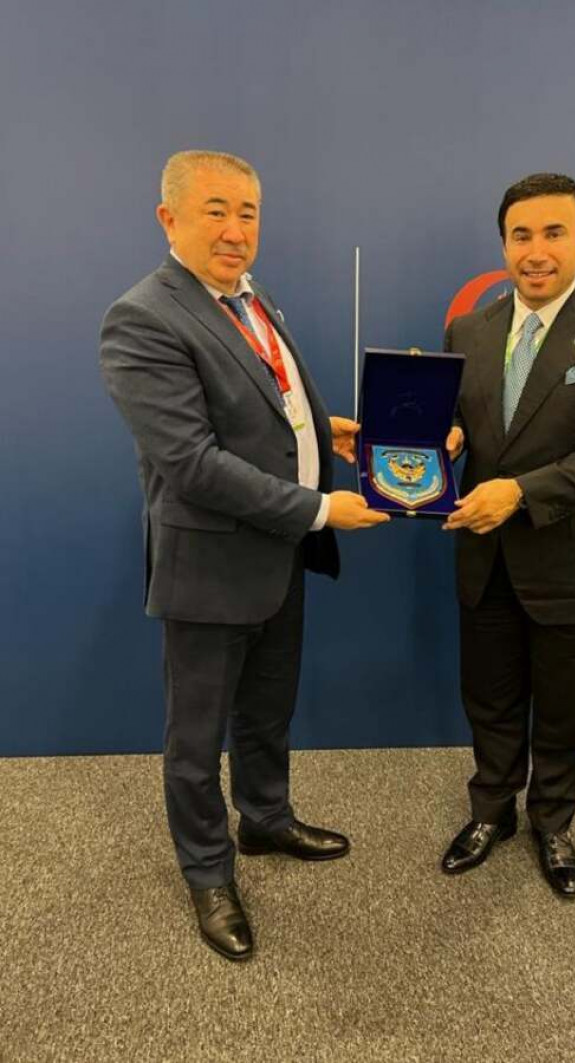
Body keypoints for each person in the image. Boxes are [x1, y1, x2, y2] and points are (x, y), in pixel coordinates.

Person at [100, 150, 388, 960]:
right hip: (210, 565)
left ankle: (264, 818)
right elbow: (192, 464)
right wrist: (321, 507)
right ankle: (208, 871)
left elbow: (270, 401)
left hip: (277, 556)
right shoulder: (143, 318)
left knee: (267, 708)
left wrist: (323, 431)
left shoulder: (248, 297)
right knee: (195, 740)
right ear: (169, 219)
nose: (235, 230)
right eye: (216, 211)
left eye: (248, 213)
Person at [441, 173, 575, 898]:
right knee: (490, 697)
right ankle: (491, 810)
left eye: (554, 233)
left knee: (563, 707)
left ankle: (553, 820)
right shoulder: (467, 332)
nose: (536, 251)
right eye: (521, 235)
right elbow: (468, 426)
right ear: (504, 245)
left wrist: (520, 493)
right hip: (486, 556)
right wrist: (442, 439)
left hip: (574, 561)